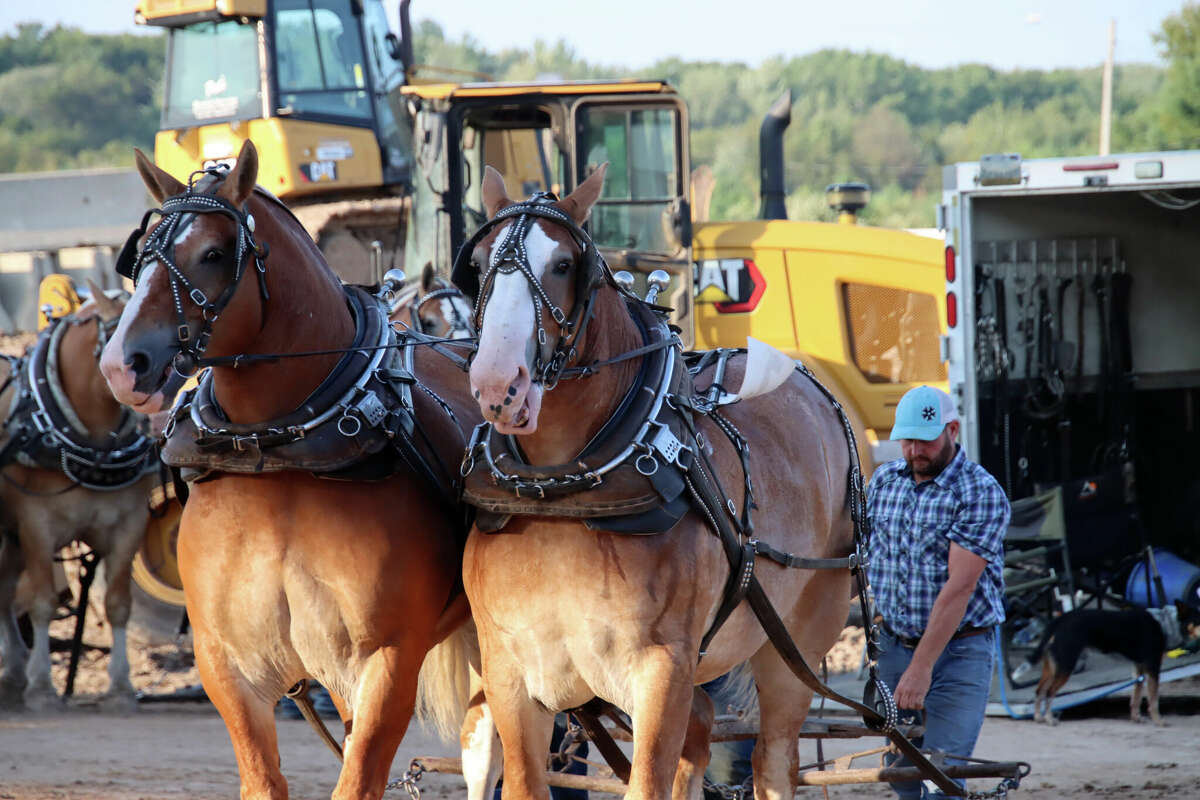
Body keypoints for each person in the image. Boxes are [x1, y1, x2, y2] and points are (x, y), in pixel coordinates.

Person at [866, 385, 1009, 800]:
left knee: (942, 780)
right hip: (893, 647)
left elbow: (959, 587)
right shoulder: (884, 482)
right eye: (906, 440)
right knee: (904, 781)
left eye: (925, 440)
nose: (914, 451)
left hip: (959, 655)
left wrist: (921, 669)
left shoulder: (979, 492)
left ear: (952, 429)